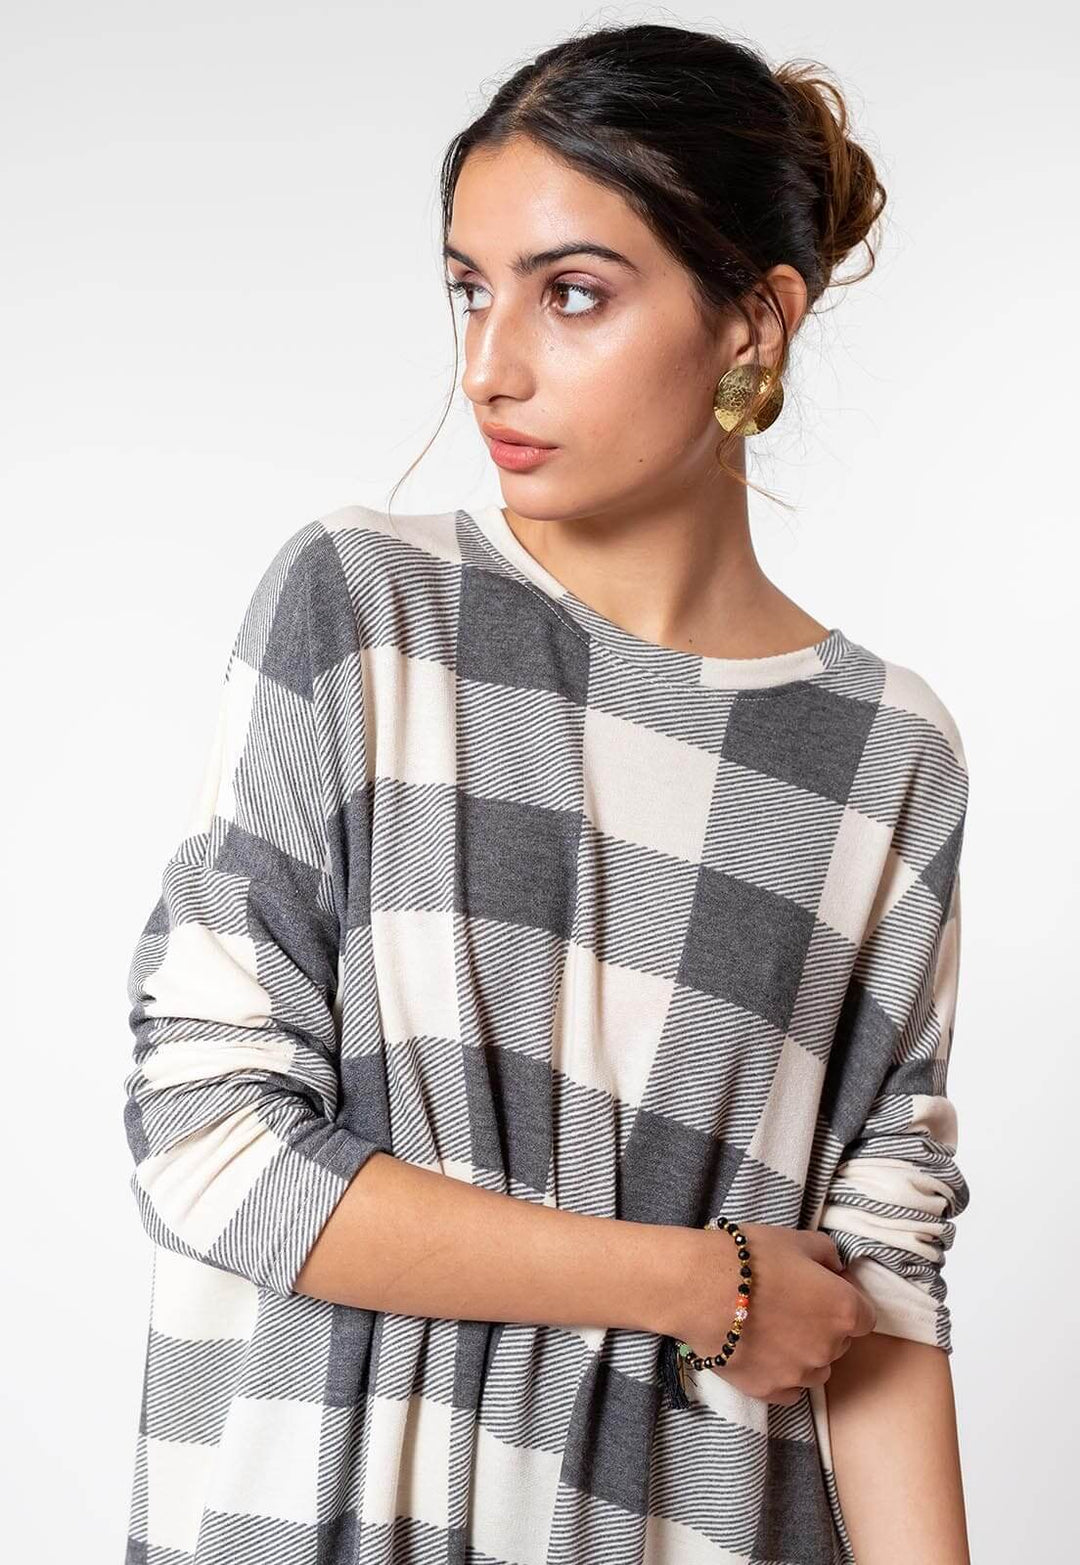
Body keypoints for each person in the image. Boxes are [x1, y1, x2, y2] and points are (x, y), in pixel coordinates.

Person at [120, 21, 973, 1565]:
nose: (489, 365)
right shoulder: (367, 611)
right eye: (472, 287)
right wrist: (696, 1282)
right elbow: (210, 1141)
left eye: (571, 292)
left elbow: (881, 1292)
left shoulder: (885, 755)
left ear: (756, 321)